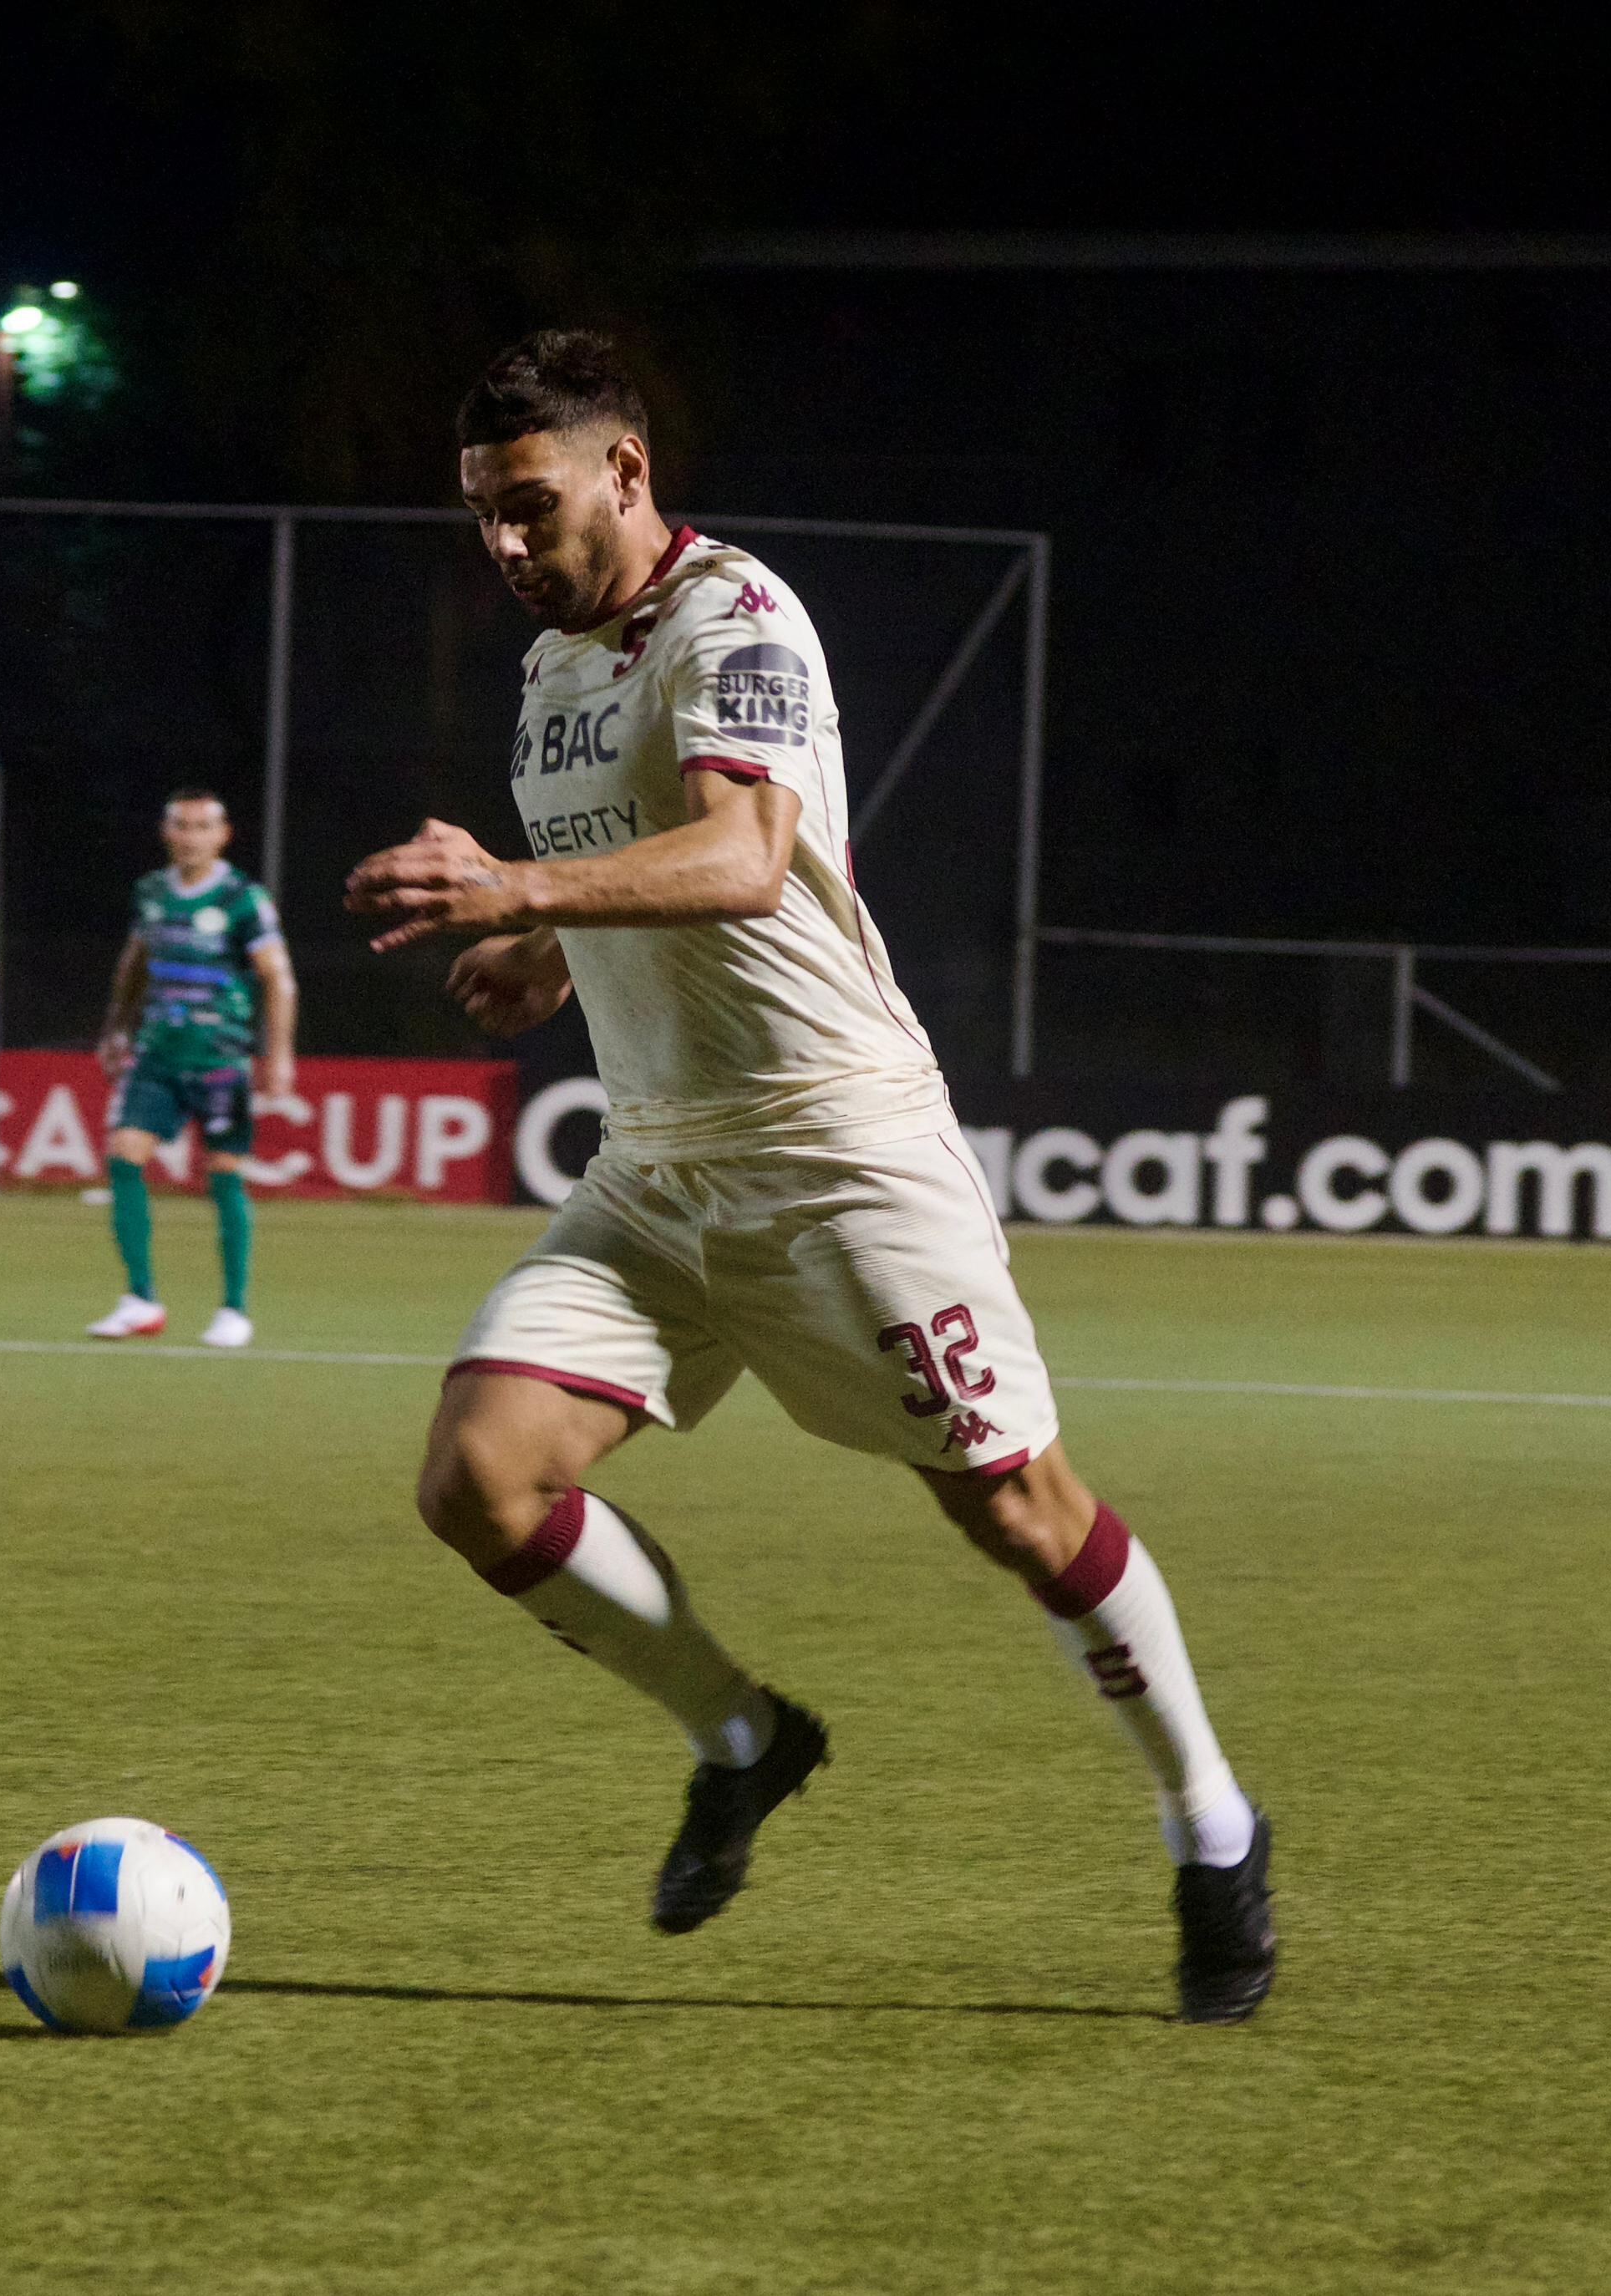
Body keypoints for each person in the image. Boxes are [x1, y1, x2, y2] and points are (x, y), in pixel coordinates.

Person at [347, 332, 1277, 2023]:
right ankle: (743, 1736)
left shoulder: (736, 617)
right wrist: (548, 960)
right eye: (479, 515)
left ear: (625, 475)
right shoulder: (558, 669)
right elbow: (617, 874)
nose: (500, 545)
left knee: (1013, 1507)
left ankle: (1209, 1821)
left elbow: (745, 851)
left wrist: (523, 899)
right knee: (478, 1481)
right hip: (653, 1176)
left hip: (837, 1158)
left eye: (527, 506)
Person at [85, 790, 297, 1348]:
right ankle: (140, 1301)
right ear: (166, 831)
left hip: (220, 1061)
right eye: (181, 824)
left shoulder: (241, 899)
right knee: (123, 1156)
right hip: (157, 1055)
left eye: (203, 826)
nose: (190, 836)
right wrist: (116, 1028)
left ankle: (234, 1309)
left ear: (222, 835)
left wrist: (278, 1054)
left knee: (223, 1173)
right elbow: (133, 967)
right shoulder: (152, 894)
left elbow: (277, 977)